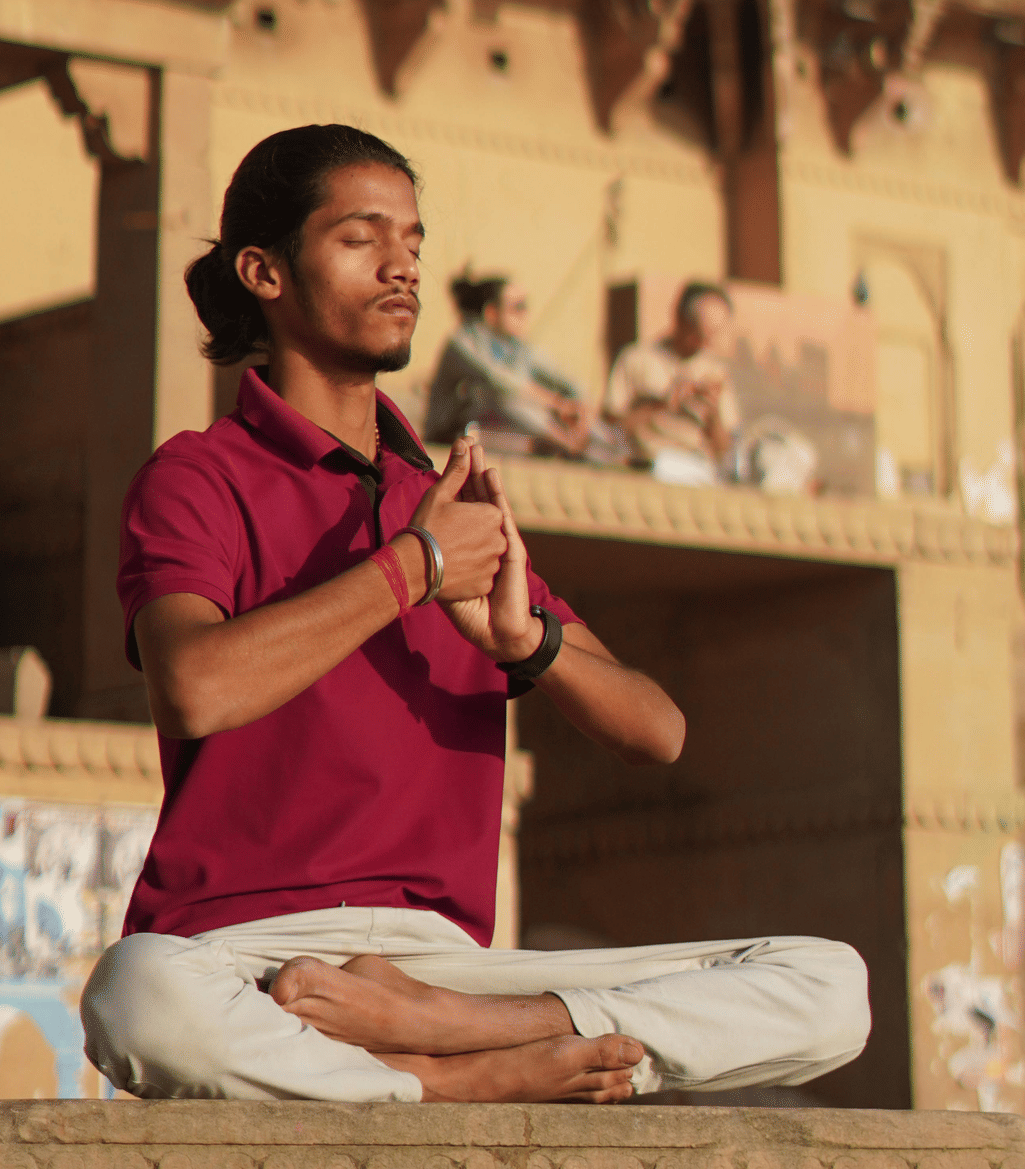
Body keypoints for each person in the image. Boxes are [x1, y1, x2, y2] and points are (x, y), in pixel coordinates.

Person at [78, 124, 869, 1105]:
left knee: (830, 982)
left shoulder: (448, 495)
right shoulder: (199, 476)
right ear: (264, 271)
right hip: (241, 958)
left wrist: (528, 644)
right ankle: (452, 1082)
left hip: (441, 971)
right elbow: (194, 684)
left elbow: (656, 728)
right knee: (133, 993)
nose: (402, 262)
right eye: (362, 236)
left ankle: (458, 1039)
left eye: (412, 238)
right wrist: (414, 565)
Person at [424, 273, 625, 465]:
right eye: (518, 307)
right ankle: (567, 445)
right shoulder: (463, 342)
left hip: (496, 432)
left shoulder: (516, 347)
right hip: (451, 434)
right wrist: (556, 404)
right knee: (504, 398)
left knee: (569, 412)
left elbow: (566, 379)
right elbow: (503, 384)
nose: (525, 314)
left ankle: (614, 451)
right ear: (492, 313)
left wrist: (579, 407)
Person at [604, 283, 742, 487]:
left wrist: (712, 414)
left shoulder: (715, 372)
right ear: (681, 320)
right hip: (648, 466)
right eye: (698, 333)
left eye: (712, 335)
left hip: (698, 468)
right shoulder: (637, 360)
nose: (703, 343)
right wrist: (662, 404)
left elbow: (725, 449)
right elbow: (610, 429)